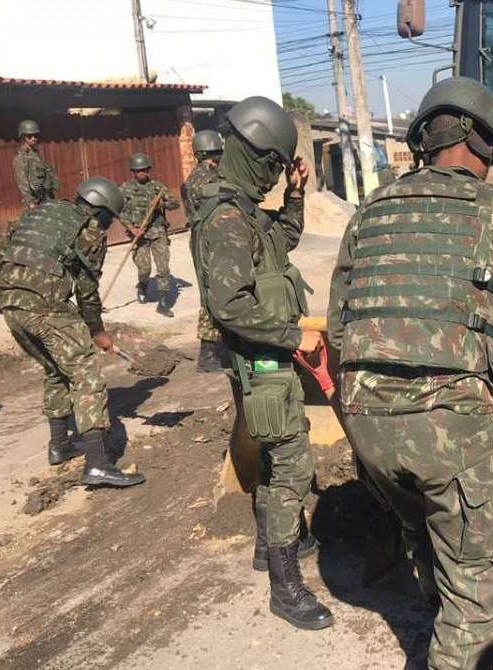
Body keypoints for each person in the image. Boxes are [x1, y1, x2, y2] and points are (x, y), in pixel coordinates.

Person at [327, 77, 493, 669]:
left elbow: (338, 330)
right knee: (473, 579)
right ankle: (466, 630)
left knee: (431, 535)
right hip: (447, 427)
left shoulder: (368, 213)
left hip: (366, 428)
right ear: (485, 146)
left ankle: (450, 607)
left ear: (422, 140)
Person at [190, 96, 330, 630]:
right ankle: (285, 586)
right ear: (253, 154)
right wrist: (293, 335)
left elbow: (283, 240)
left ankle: (267, 547)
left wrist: (295, 196)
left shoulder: (242, 210)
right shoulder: (226, 218)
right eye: (274, 167)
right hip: (261, 361)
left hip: (265, 357)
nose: (276, 177)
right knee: (292, 463)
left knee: (275, 458)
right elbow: (229, 306)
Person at [0, 177, 145, 488]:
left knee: (56, 368)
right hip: (44, 305)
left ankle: (60, 445)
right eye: (108, 219)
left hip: (8, 301)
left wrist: (20, 282)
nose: (106, 226)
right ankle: (98, 464)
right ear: (100, 211)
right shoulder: (89, 231)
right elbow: (87, 291)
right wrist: (97, 331)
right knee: (85, 372)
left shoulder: (39, 212)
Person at [181, 130, 225, 372]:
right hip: (209, 240)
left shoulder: (194, 177)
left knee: (214, 290)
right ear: (213, 155)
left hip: (202, 239)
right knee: (212, 293)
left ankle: (217, 349)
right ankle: (208, 355)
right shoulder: (208, 178)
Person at [120, 152, 180, 317]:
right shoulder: (125, 189)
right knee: (144, 268)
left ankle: (163, 303)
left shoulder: (158, 187)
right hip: (139, 234)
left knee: (163, 268)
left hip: (158, 232)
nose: (143, 173)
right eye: (139, 170)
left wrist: (162, 203)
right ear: (133, 171)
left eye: (146, 170)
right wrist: (131, 228)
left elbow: (175, 203)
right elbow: (119, 211)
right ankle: (143, 285)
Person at [12, 119, 59, 209]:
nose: (33, 138)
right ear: (23, 137)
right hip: (34, 201)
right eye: (29, 136)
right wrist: (30, 202)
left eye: (35, 135)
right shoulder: (21, 157)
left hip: (44, 198)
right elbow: (22, 182)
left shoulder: (35, 154)